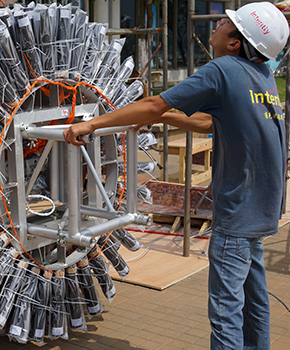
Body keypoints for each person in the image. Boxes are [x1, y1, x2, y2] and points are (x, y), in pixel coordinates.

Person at [64, 3, 288, 349]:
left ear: (234, 42)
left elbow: (154, 103)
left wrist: (91, 123)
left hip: (238, 211)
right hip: (262, 210)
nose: (216, 23)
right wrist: (167, 120)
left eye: (226, 22)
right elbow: (211, 122)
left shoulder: (223, 69)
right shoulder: (262, 77)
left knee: (226, 311)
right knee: (254, 299)